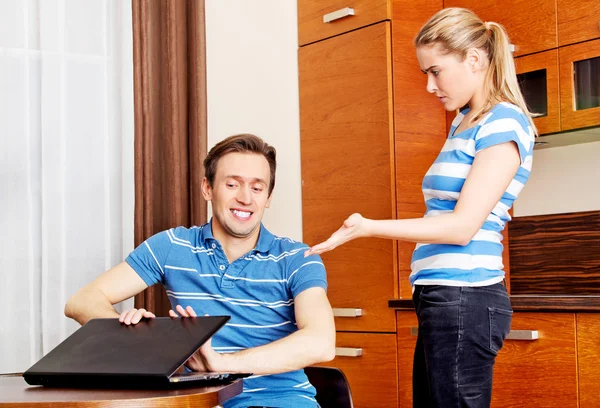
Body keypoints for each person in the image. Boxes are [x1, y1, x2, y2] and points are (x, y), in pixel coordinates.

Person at [304, 7, 536, 408]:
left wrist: (369, 226)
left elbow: (462, 227)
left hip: (467, 296)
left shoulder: (504, 123)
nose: (430, 86)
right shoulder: (464, 121)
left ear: (474, 60)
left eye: (436, 71)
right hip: (440, 295)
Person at [65, 133, 336, 408]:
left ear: (267, 197)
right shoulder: (172, 246)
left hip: (278, 402)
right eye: (232, 184)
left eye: (257, 188)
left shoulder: (298, 258)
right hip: (197, 401)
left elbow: (321, 342)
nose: (245, 198)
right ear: (207, 188)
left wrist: (223, 364)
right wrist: (135, 336)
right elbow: (81, 301)